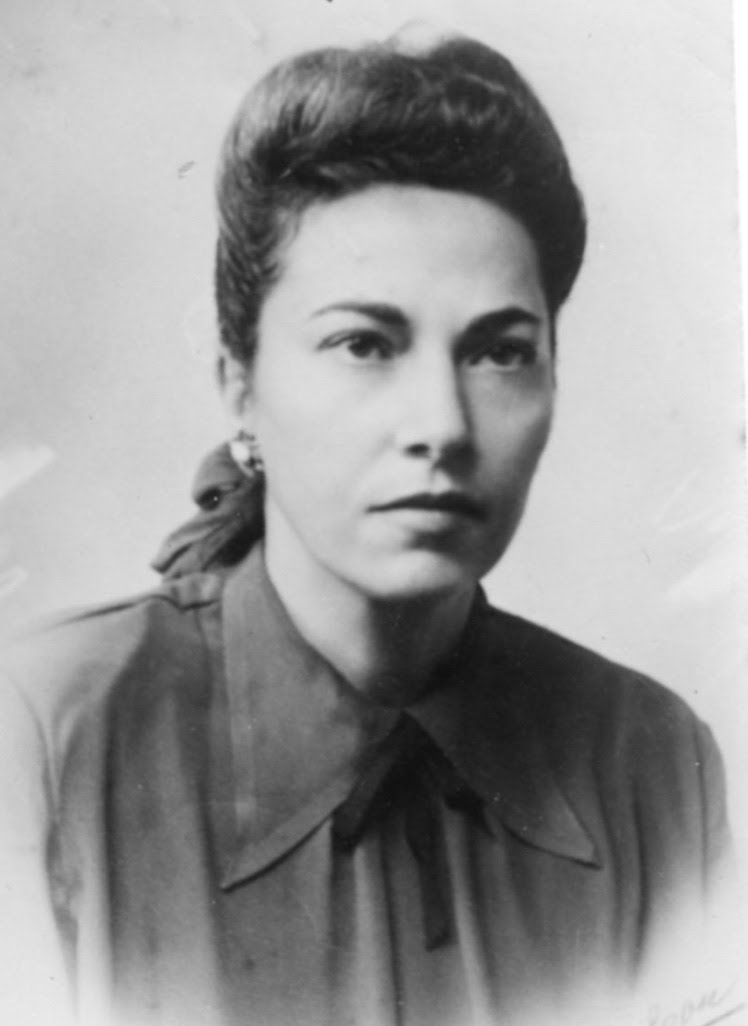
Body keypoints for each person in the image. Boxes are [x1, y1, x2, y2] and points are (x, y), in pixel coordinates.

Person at [0, 30, 737, 1026]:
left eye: (498, 352)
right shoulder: (42, 733)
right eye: (363, 343)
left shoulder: (649, 763)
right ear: (239, 383)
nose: (441, 425)